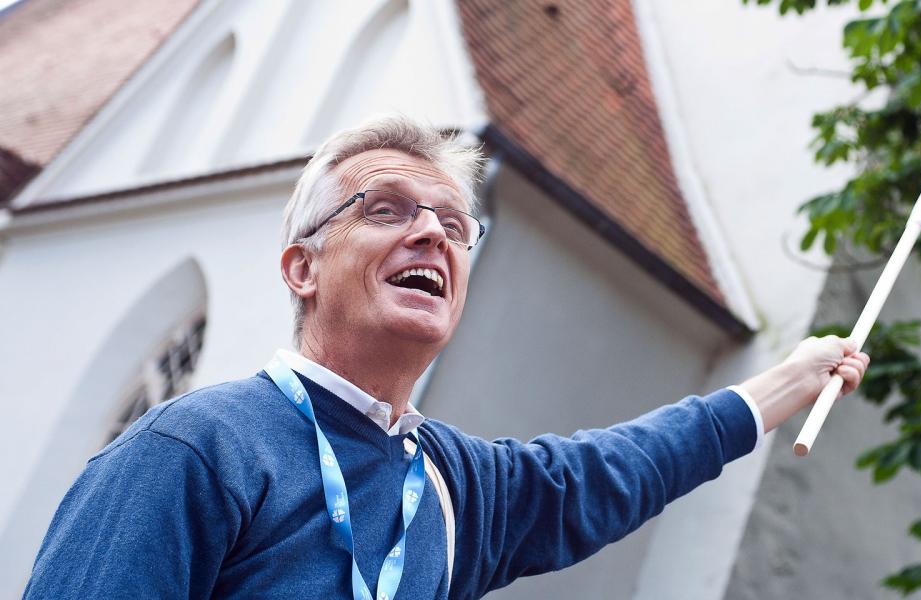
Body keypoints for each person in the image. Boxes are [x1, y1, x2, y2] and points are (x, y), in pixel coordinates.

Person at [23, 115, 869, 600]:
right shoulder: (197, 449)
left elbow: (613, 472)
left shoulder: (456, 487)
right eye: (385, 208)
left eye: (454, 224)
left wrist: (784, 383)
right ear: (303, 266)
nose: (431, 231)